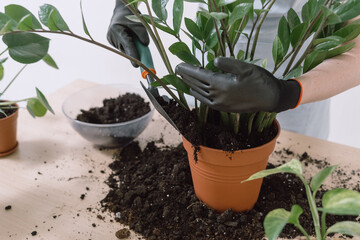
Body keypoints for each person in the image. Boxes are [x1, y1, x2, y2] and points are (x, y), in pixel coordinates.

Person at [107, 0, 360, 140]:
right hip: (210, 53)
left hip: (297, 80)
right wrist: (125, 6)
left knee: (286, 165)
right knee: (208, 139)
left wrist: (286, 93)